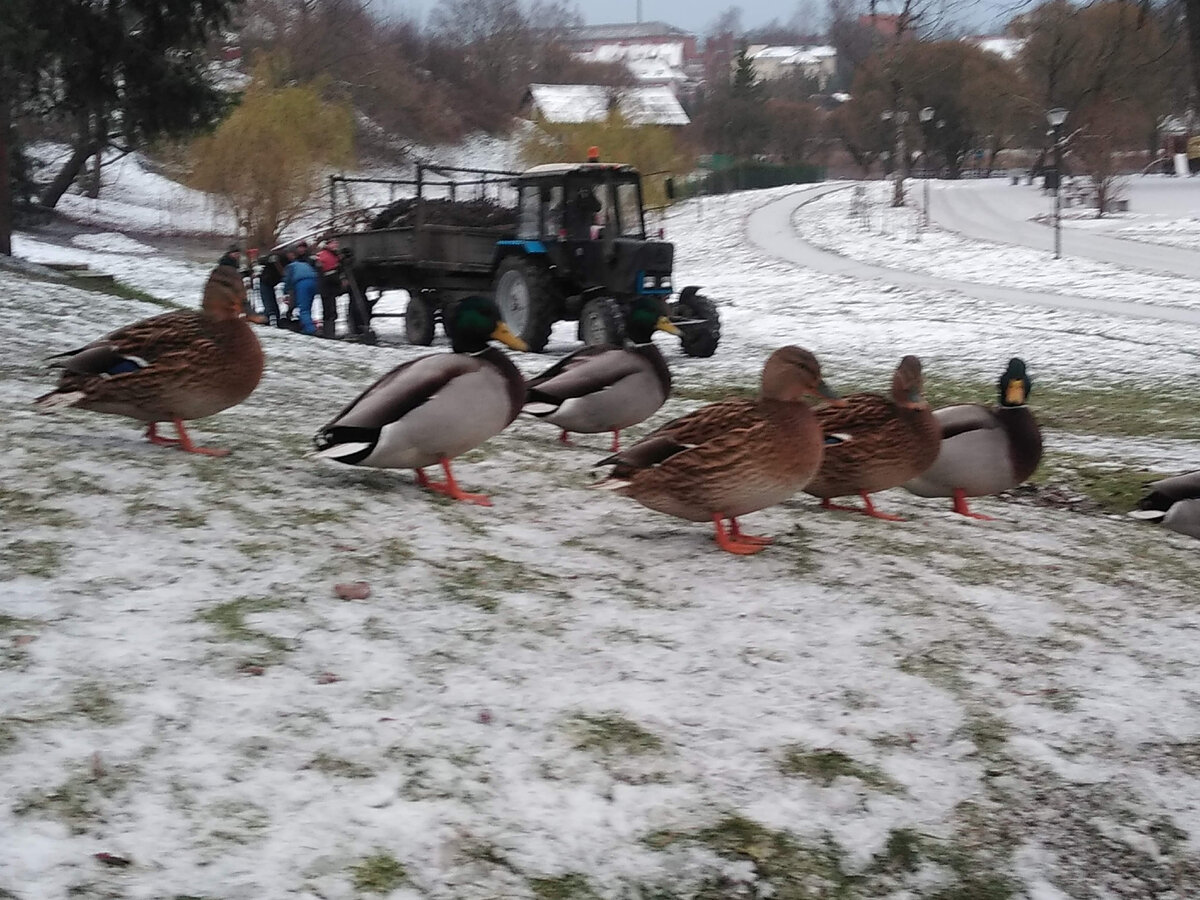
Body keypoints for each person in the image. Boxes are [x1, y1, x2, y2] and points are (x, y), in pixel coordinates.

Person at [283, 241, 319, 336]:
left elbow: (288, 281)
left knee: (303, 308)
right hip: (314, 282)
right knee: (308, 306)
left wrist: (286, 292)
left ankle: (310, 330)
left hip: (302, 283)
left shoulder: (290, 266)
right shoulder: (305, 264)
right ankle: (308, 324)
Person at [315, 239, 344, 339]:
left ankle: (330, 331)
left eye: (336, 243)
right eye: (333, 243)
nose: (335, 245)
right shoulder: (323, 255)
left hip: (331, 286)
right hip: (326, 286)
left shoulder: (334, 255)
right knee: (328, 309)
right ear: (328, 244)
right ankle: (329, 333)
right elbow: (323, 270)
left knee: (332, 309)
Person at [258, 253, 285, 327]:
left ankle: (273, 318)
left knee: (272, 303)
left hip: (273, 281)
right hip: (266, 281)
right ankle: (270, 318)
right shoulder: (277, 257)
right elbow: (260, 260)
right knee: (269, 303)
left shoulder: (285, 259)